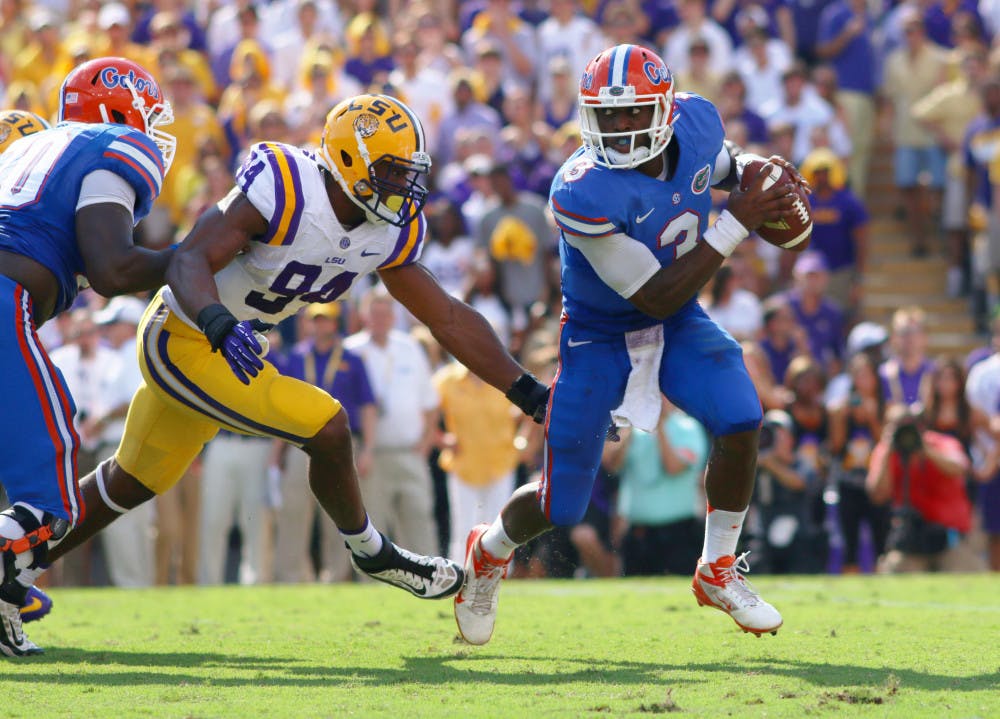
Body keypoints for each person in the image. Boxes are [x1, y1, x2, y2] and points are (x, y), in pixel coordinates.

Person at [19, 93, 551, 655]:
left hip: (229, 348)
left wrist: (526, 390)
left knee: (127, 483)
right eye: (392, 173)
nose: (404, 189)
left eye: (410, 175)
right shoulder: (284, 184)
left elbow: (445, 316)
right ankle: (374, 552)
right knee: (326, 423)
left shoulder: (385, 230)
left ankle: (15, 559)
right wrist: (219, 322)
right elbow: (188, 259)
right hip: (186, 335)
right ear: (349, 161)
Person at [453, 44, 803, 645]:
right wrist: (739, 220)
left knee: (744, 417)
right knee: (563, 505)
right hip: (600, 334)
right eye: (605, 115)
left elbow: (720, 168)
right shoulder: (580, 190)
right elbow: (654, 295)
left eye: (630, 113)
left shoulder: (695, 122)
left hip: (678, 322)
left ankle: (717, 568)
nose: (615, 127)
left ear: (665, 110)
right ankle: (488, 551)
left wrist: (757, 176)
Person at [0, 57, 178, 657]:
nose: (151, 132)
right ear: (119, 112)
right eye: (146, 118)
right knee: (51, 504)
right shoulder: (118, 143)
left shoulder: (30, 147)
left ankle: (6, 599)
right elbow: (111, 267)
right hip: (4, 295)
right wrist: (196, 256)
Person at [866, 404, 978, 573]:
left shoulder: (942, 443)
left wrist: (925, 449)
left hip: (948, 540)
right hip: (911, 542)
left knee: (968, 580)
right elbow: (876, 494)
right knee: (895, 571)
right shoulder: (886, 451)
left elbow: (960, 468)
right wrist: (888, 452)